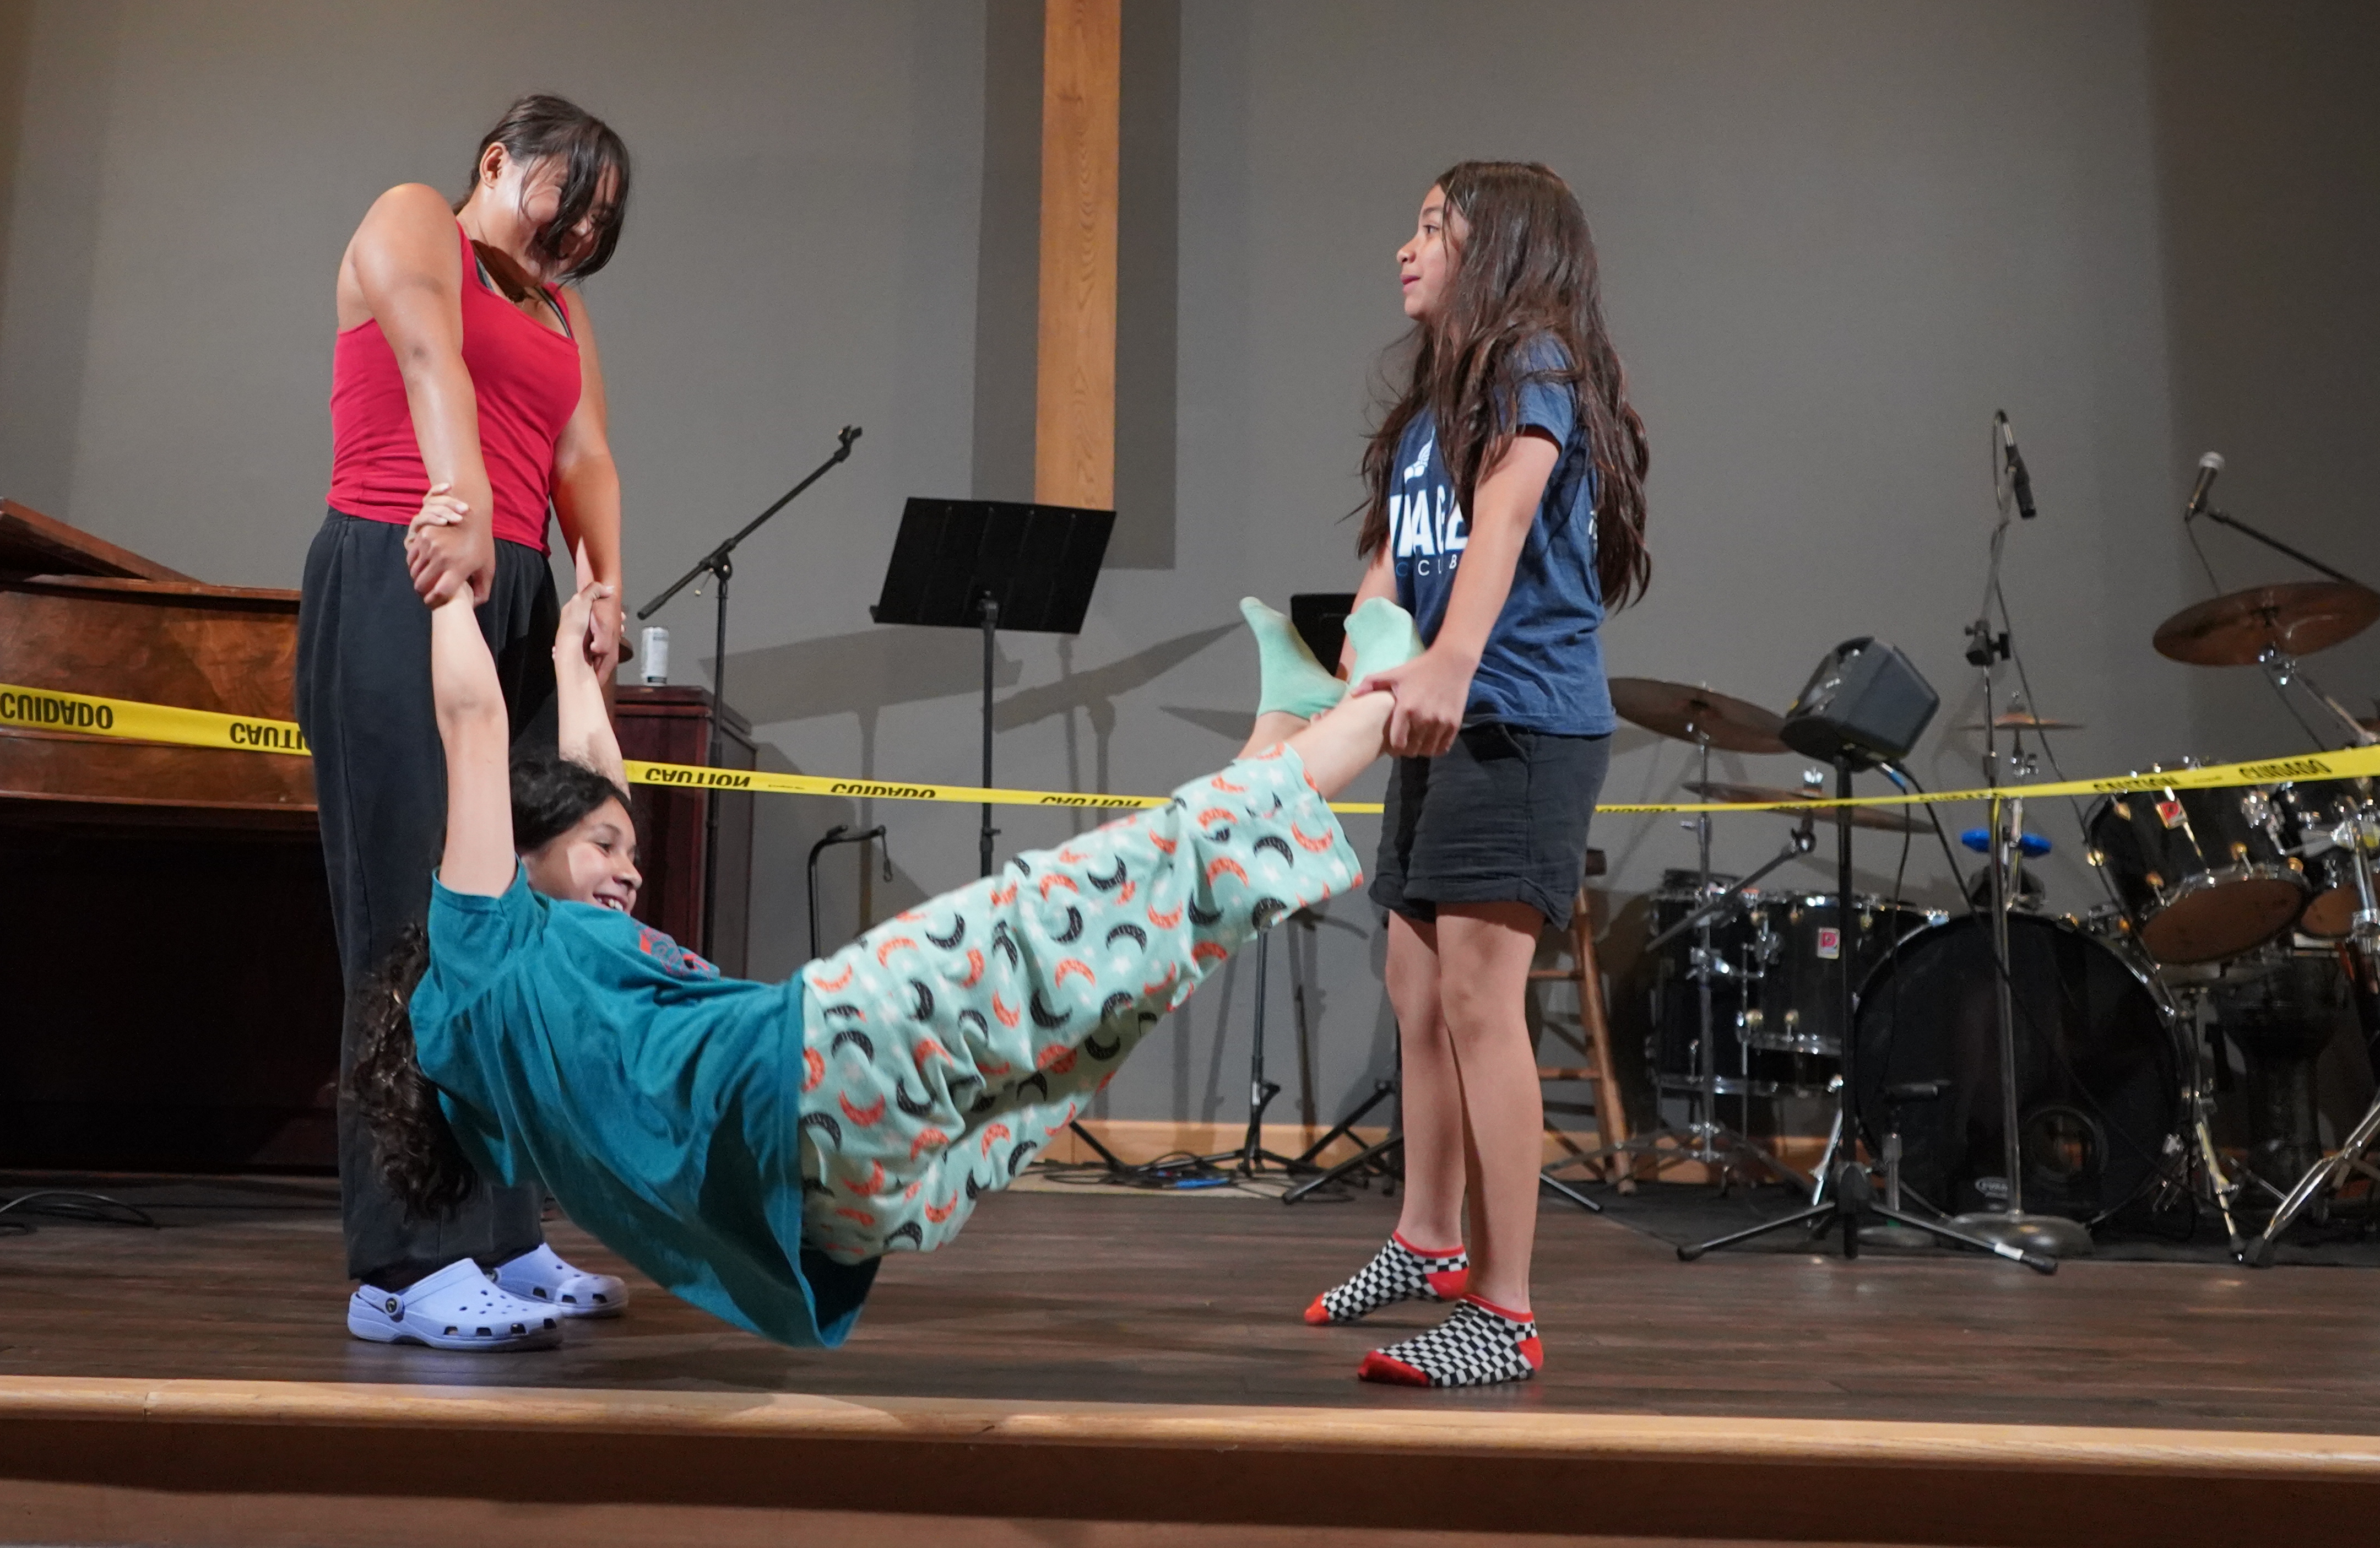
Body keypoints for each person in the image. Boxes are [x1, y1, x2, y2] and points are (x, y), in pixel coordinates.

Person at [340, 556, 1426, 1349]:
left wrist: (583, 664)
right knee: (1052, 909)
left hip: (832, 1200)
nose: (628, 861)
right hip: (808, 1070)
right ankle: (1379, 706)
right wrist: (446, 592)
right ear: (519, 865)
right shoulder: (481, 958)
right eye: (602, 848)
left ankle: (1281, 733)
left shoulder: (522, 1036)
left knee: (1101, 980)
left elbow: (591, 785)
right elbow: (476, 724)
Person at [1304, 160, 1650, 1389]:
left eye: (1434, 227)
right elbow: (1403, 558)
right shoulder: (1424, 412)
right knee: (1413, 982)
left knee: (1479, 1005)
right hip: (1445, 723)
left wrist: (1453, 658)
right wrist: (1368, 633)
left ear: (1500, 251)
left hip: (1519, 723)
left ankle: (1503, 1311)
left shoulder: (1536, 363)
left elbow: (1502, 520)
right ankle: (1428, 1237)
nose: (1406, 247)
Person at [300, 94, 632, 1350]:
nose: (581, 237)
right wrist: (460, 495)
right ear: (499, 161)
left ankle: (500, 1232)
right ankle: (402, 1264)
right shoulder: (411, 220)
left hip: (518, 586)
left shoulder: (558, 305)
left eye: (603, 225)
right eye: (569, 201)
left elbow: (585, 446)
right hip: (406, 558)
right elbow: (431, 355)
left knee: (517, 925)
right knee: (410, 926)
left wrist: (603, 581)